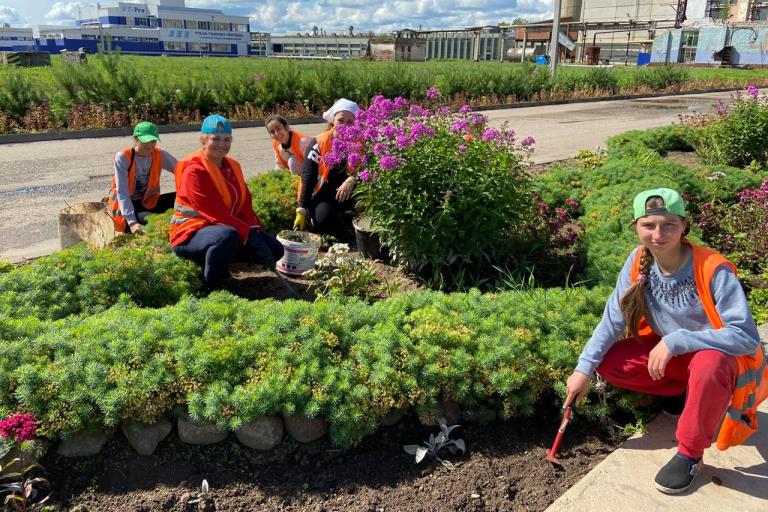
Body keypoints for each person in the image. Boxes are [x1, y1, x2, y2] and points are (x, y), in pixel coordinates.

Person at [564, 188, 767, 494]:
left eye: (669, 224)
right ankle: (687, 393)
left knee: (709, 365)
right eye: (649, 225)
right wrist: (583, 369)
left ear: (684, 226)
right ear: (636, 227)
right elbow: (612, 319)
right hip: (678, 358)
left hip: (719, 359)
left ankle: (690, 453)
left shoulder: (712, 268)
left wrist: (678, 339)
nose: (658, 234)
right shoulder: (637, 262)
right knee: (611, 362)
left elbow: (745, 337)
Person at [169, 114, 284, 287]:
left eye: (226, 139)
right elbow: (216, 213)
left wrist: (253, 230)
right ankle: (210, 284)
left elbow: (245, 204)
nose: (221, 145)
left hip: (223, 228)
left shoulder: (232, 165)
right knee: (226, 237)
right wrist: (249, 236)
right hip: (190, 234)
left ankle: (221, 264)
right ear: (203, 139)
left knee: (275, 249)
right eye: (215, 139)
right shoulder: (194, 170)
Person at [294, 98, 359, 236]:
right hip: (325, 193)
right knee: (323, 223)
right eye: (340, 121)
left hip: (352, 190)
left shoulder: (361, 140)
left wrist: (352, 179)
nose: (345, 126)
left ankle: (359, 225)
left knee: (365, 204)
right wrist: (302, 208)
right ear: (332, 121)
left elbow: (370, 168)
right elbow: (308, 176)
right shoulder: (319, 142)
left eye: (350, 122)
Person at [107, 121, 177, 234]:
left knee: (181, 197)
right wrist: (132, 222)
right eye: (145, 141)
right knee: (153, 220)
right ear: (136, 139)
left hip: (149, 202)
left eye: (153, 141)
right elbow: (122, 192)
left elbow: (182, 170)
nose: (150, 145)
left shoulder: (159, 154)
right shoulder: (124, 157)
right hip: (131, 205)